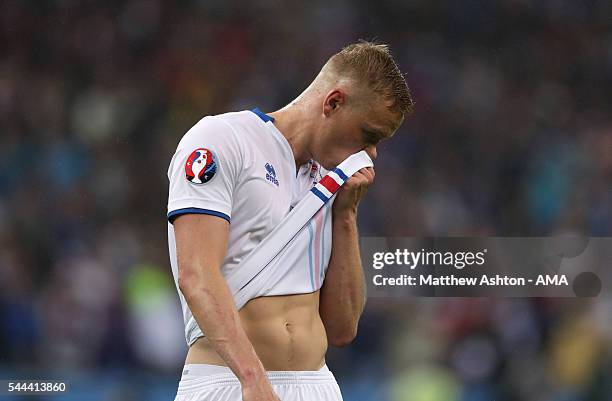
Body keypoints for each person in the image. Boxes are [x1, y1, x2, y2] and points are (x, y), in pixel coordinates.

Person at [167, 41, 413, 401]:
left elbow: (342, 329)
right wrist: (253, 379)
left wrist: (346, 214)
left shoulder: (329, 182)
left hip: (317, 387)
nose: (372, 154)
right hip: (231, 383)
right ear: (333, 102)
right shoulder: (222, 140)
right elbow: (196, 274)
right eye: (369, 135)